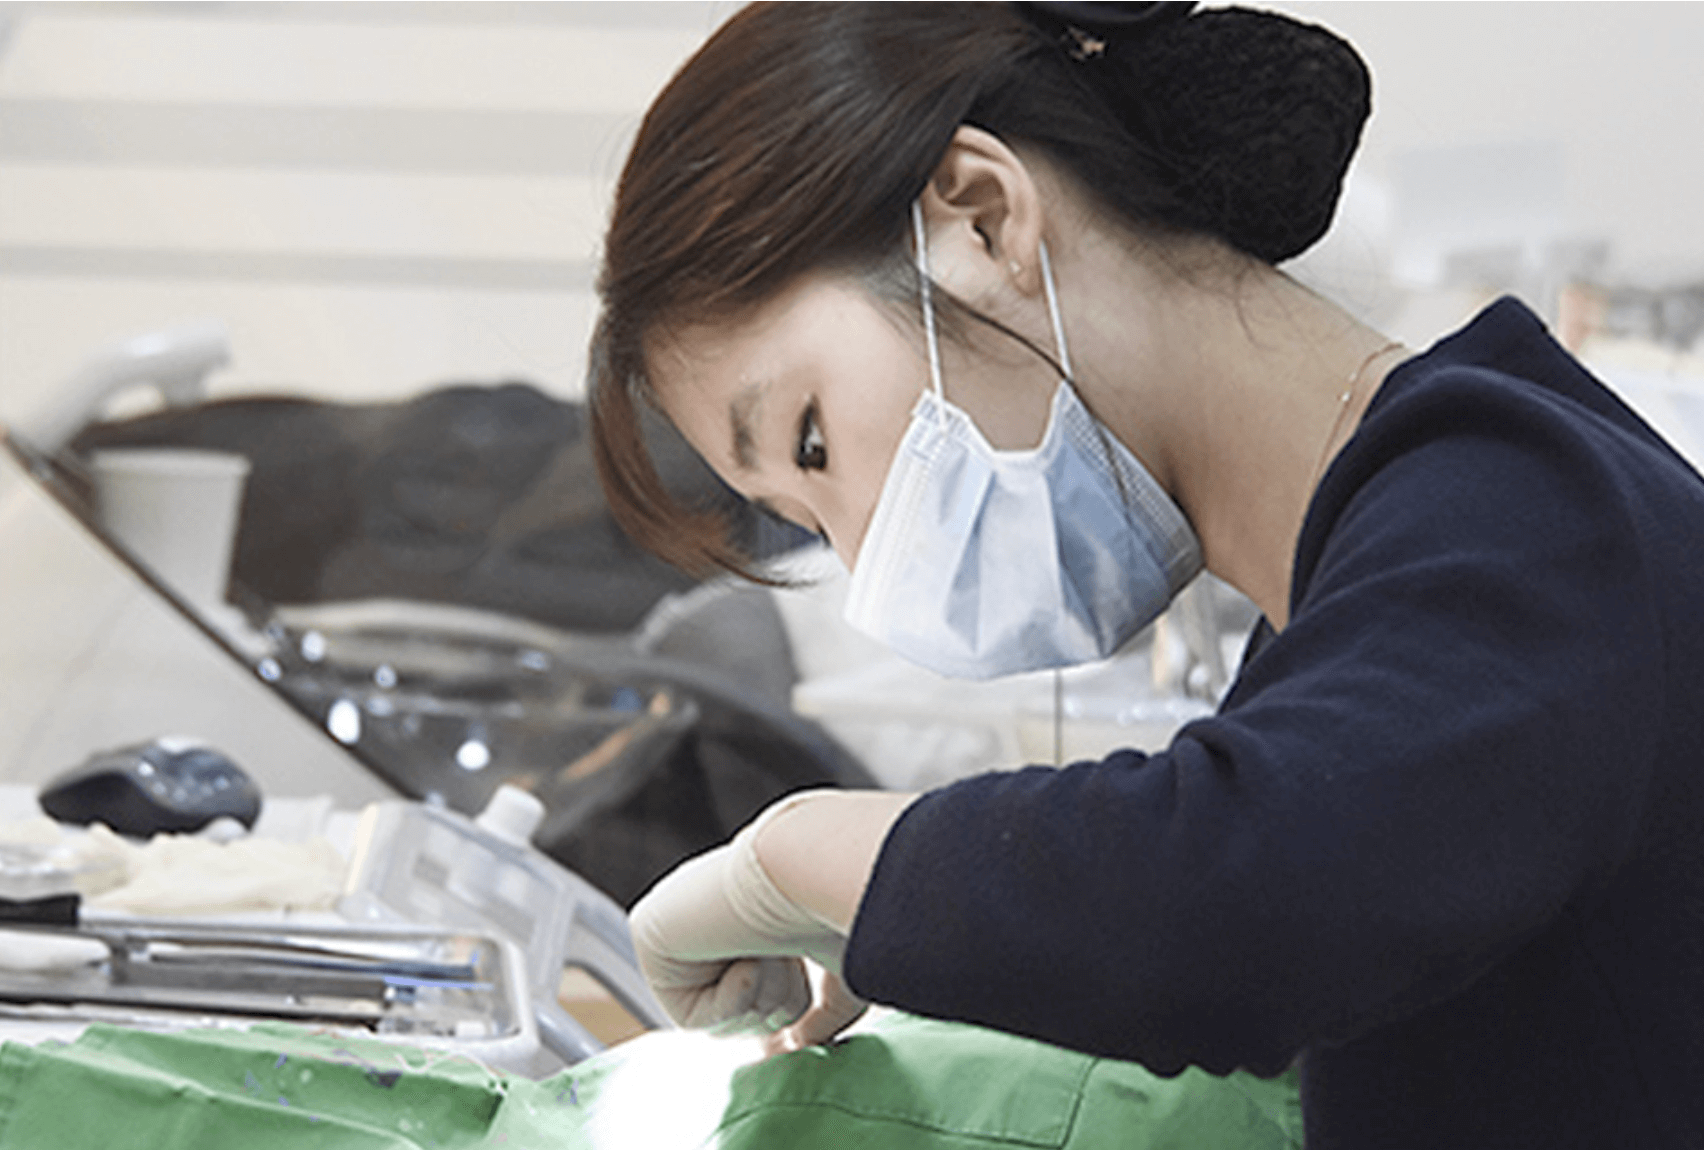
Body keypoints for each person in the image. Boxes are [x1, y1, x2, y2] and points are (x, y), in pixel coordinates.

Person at [587, 3, 1704, 1147]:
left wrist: (811, 857)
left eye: (813, 442)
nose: (865, 563)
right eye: (797, 516)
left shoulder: (1531, 518)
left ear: (980, 218)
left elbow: (1235, 897)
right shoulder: (1367, 583)